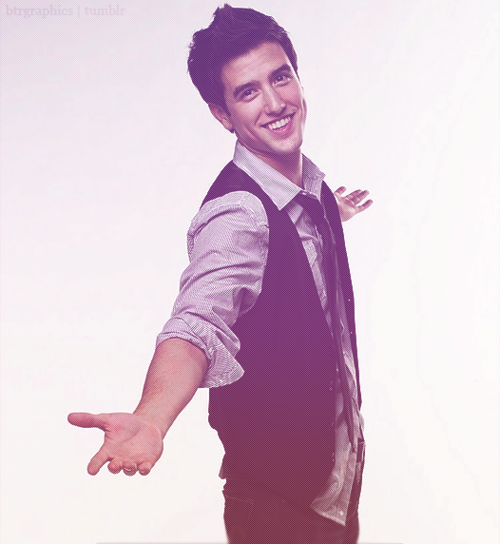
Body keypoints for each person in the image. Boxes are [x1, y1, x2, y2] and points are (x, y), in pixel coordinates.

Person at [68, 5, 373, 543]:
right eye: (248, 92)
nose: (275, 103)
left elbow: (293, 244)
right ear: (222, 114)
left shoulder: (311, 193)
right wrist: (152, 416)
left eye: (281, 77)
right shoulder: (239, 215)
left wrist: (330, 214)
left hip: (335, 493)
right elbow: (198, 322)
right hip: (279, 510)